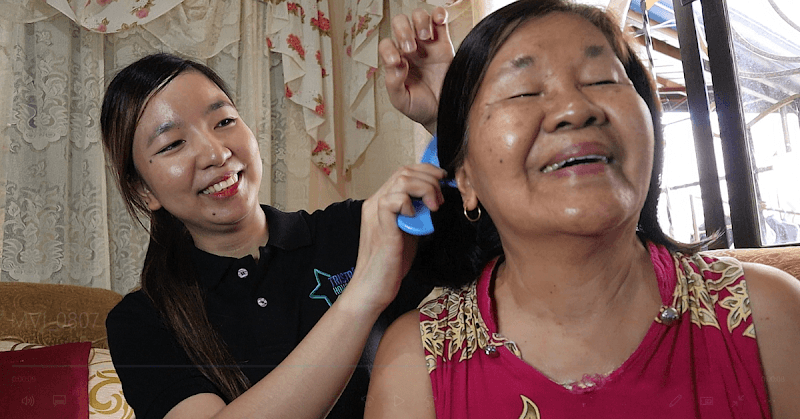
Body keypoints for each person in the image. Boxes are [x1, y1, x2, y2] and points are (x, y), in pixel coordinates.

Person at [366, 1, 800, 418]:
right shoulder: (417, 364)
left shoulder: (769, 315)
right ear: (465, 180)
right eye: (523, 91)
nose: (575, 109)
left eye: (601, 81)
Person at [102, 9, 454, 419]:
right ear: (143, 190)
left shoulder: (356, 230)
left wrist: (446, 115)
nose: (216, 153)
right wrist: (363, 295)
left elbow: (496, 235)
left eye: (224, 121)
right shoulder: (142, 321)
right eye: (173, 144)